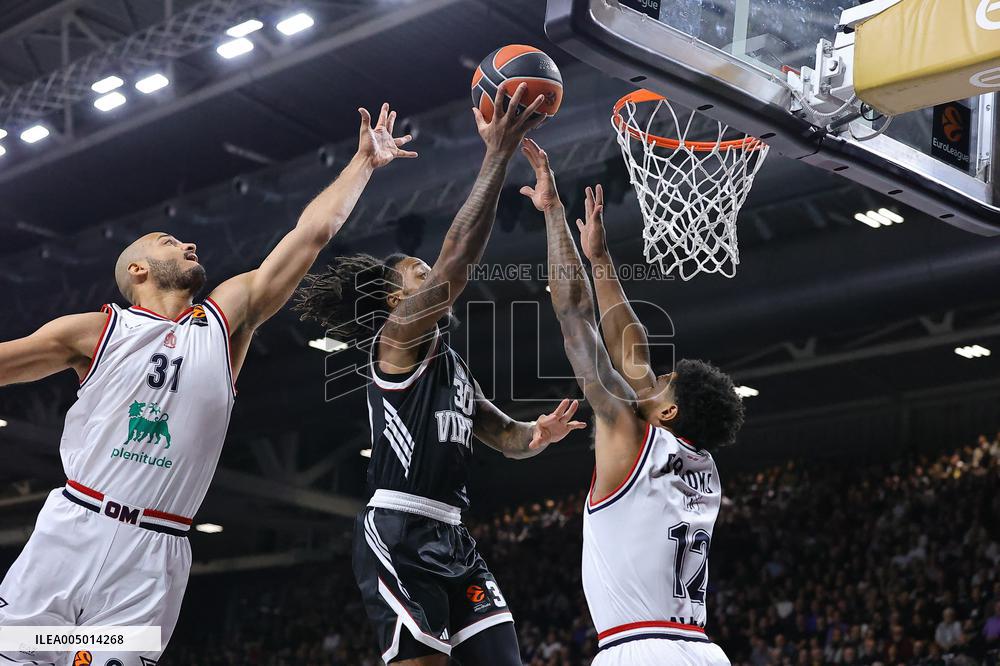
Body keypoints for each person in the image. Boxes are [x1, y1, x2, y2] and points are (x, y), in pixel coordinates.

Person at [0, 102, 415, 666]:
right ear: (137, 272)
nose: (188, 245)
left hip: (154, 555)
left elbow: (311, 235)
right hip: (73, 528)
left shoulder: (225, 323)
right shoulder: (98, 329)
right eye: (169, 242)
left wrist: (364, 164)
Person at [294, 83, 585, 666]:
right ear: (391, 300)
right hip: (398, 531)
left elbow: (502, 433)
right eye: (416, 273)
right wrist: (497, 154)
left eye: (426, 270)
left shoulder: (449, 365)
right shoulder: (396, 339)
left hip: (454, 536)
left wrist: (536, 435)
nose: (428, 277)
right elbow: (456, 258)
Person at [521, 138, 745, 666]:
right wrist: (599, 257)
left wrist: (553, 211)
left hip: (640, 650)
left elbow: (575, 319)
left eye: (661, 382)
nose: (649, 375)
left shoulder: (630, 435)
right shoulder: (701, 463)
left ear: (667, 412)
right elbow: (632, 351)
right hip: (702, 651)